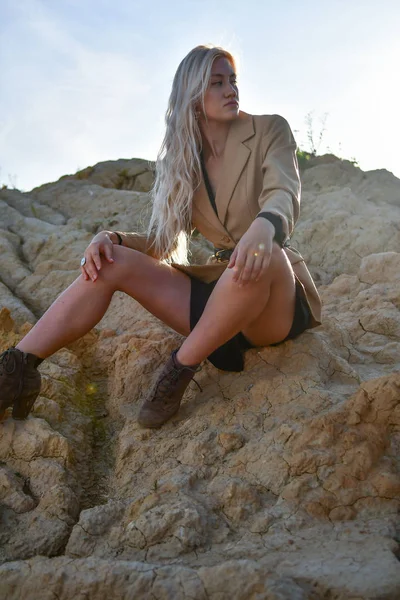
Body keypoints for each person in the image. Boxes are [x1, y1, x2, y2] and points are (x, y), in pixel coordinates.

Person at [0, 45, 321, 427]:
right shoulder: (183, 160)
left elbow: (284, 192)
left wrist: (265, 226)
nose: (231, 90)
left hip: (270, 302)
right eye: (216, 83)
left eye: (232, 81)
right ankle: (16, 370)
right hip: (217, 302)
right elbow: (163, 243)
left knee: (263, 254)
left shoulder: (269, 129)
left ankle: (179, 369)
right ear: (193, 97)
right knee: (108, 264)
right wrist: (111, 238)